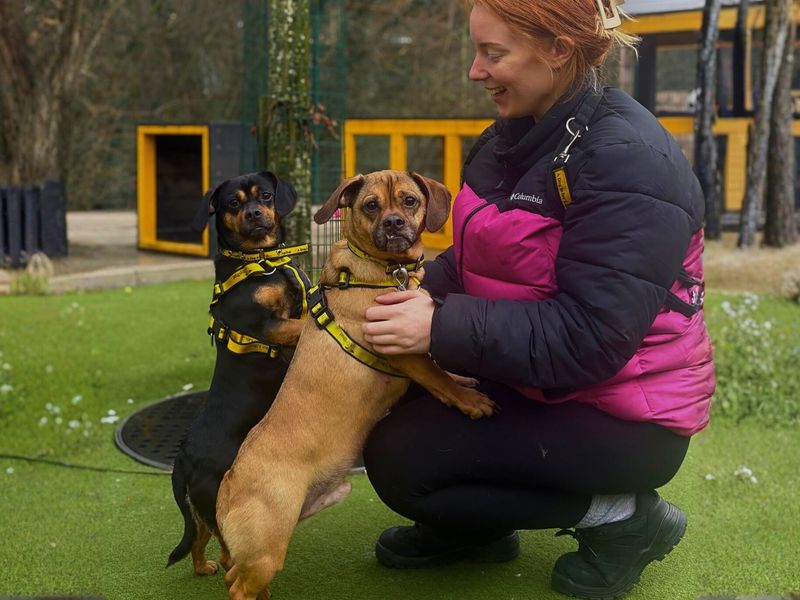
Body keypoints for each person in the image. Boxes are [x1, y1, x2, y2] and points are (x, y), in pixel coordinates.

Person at [360, 0, 715, 598]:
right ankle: (479, 529)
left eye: (493, 54)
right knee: (391, 421)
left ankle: (627, 521)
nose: (476, 71)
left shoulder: (628, 161)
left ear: (558, 50)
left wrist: (438, 327)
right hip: (533, 376)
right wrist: (403, 298)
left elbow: (591, 338)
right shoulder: (507, 138)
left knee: (405, 468)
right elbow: (473, 262)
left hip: (624, 415)